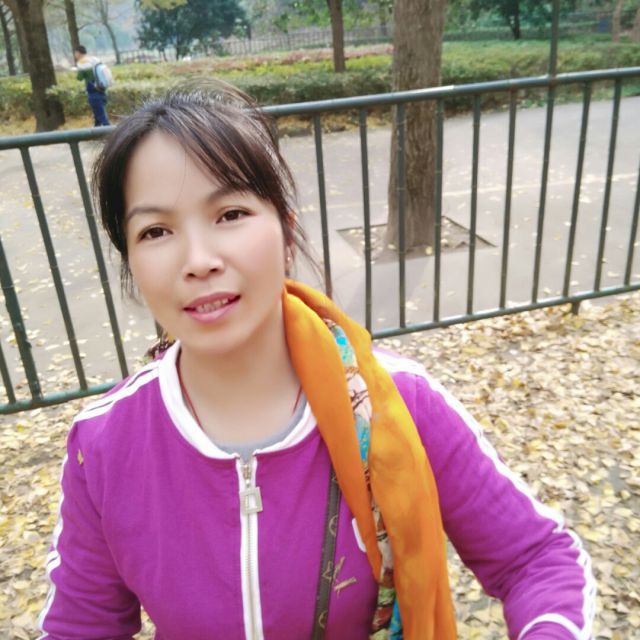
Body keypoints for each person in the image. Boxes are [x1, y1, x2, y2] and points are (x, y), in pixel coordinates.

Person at [37, 82, 595, 640]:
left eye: (230, 213)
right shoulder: (104, 445)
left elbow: (537, 560)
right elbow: (80, 628)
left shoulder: (397, 403)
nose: (199, 260)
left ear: (285, 230)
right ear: (131, 263)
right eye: (156, 231)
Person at [73, 44, 110, 127]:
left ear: (78, 53)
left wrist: (77, 71)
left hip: (93, 93)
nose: (75, 55)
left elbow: (80, 78)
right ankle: (96, 132)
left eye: (75, 53)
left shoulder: (82, 62)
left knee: (103, 118)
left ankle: (111, 132)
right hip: (102, 90)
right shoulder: (94, 59)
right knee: (98, 117)